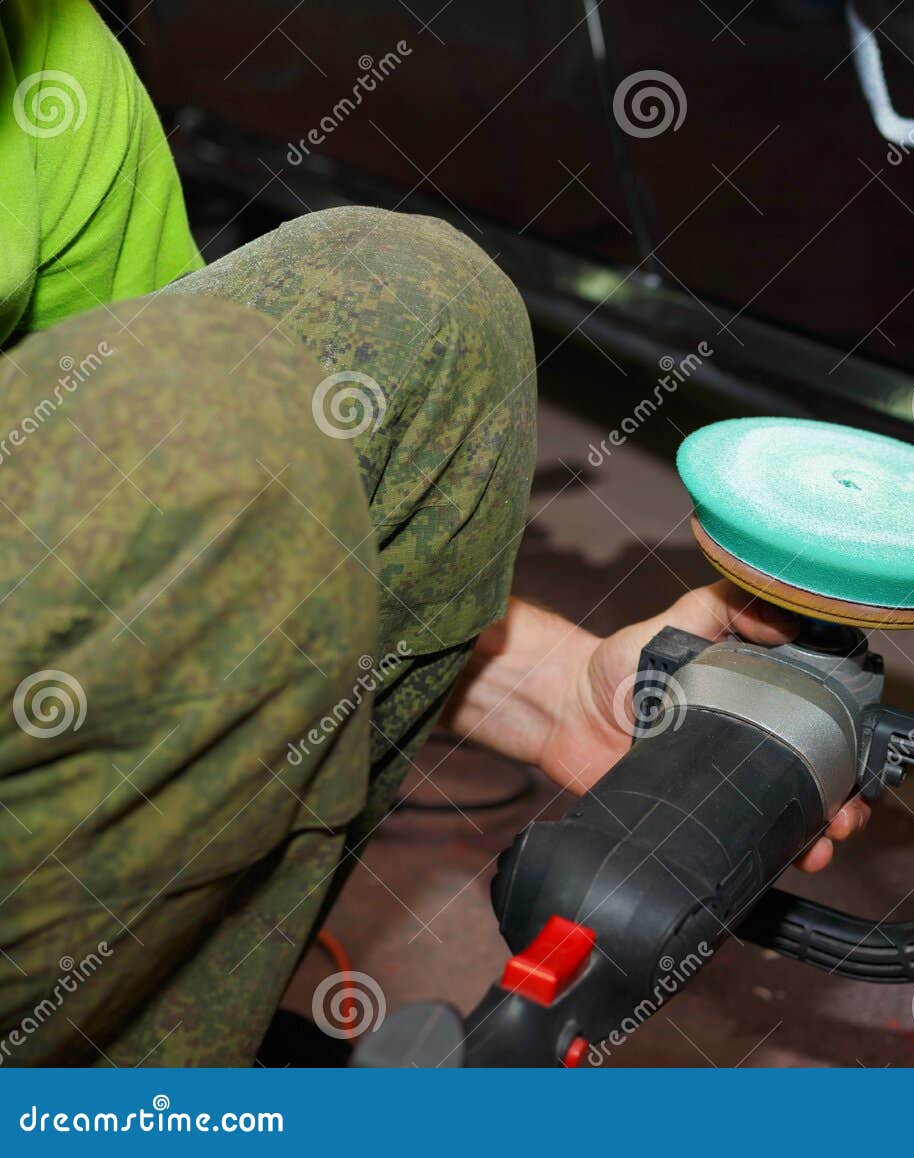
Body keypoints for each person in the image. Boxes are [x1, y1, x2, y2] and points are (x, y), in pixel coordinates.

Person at [0, 0, 869, 1065]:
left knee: (412, 306)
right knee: (212, 402)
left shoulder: (42, 51)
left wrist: (549, 682)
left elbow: (165, 524)